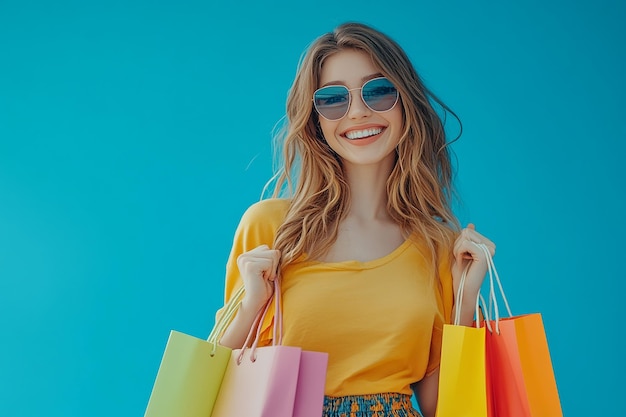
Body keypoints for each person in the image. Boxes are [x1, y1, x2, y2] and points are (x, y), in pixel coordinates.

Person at [216, 22, 496, 417]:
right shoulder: (271, 229)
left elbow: (444, 408)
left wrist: (465, 297)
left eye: (378, 91)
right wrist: (251, 308)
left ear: (406, 103)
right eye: (333, 99)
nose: (358, 111)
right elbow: (216, 391)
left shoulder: (439, 245)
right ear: (315, 120)